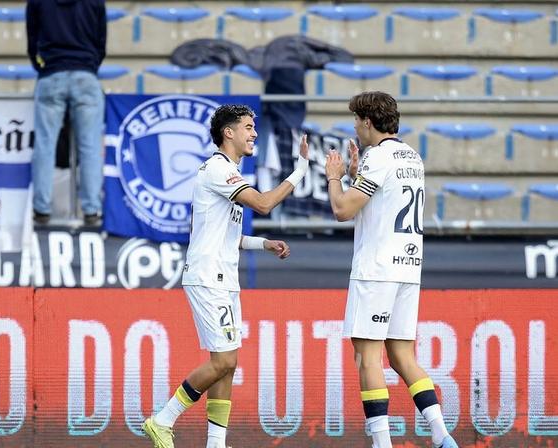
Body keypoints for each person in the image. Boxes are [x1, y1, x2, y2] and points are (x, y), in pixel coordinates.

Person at [142, 104, 310, 448]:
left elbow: (229, 236)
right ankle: (163, 420)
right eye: (248, 127)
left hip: (222, 277)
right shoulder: (219, 170)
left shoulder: (227, 173)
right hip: (208, 277)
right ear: (228, 132)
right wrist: (301, 169)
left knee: (227, 363)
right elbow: (264, 204)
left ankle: (215, 444)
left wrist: (265, 243)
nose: (254, 133)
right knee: (224, 360)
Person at [324, 91, 457, 448]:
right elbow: (381, 201)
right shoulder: (411, 156)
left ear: (368, 122)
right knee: (402, 354)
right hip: (408, 267)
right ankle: (441, 433)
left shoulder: (378, 157)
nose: (354, 126)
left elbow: (343, 210)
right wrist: (356, 174)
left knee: (366, 356)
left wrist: (335, 177)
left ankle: (382, 444)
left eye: (356, 120)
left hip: (376, 268)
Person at [26, 0, 106, 226]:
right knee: (90, 147)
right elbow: (101, 43)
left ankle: (42, 209)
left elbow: (32, 41)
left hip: (51, 74)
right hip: (86, 75)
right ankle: (91, 210)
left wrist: (42, 67)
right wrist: (89, 66)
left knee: (44, 145)